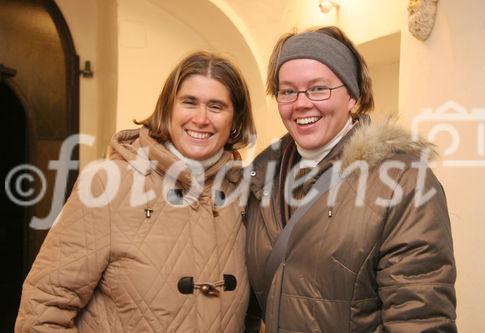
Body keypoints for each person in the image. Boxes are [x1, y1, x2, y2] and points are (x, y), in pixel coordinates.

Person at [15, 51, 256, 332]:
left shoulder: (245, 192)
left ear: (235, 119)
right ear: (168, 108)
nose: (201, 119)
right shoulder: (107, 184)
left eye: (216, 107)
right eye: (189, 102)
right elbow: (42, 310)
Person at [245, 26, 457, 332]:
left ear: (353, 97)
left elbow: (419, 318)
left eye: (319, 88)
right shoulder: (260, 180)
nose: (301, 103)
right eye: (288, 91)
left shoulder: (403, 181)